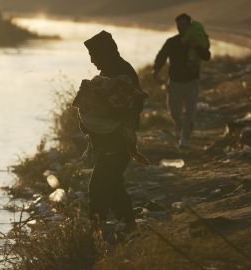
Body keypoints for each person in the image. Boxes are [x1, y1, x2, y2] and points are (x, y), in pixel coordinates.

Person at [78, 30, 147, 231]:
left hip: (118, 142)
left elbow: (133, 106)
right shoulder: (109, 72)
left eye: (94, 56)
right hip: (109, 141)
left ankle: (95, 230)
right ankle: (128, 224)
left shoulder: (123, 74)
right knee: (113, 183)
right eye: (91, 57)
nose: (92, 61)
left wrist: (99, 115)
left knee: (98, 186)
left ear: (106, 53)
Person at [153, 13, 211, 148]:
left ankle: (184, 140)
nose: (180, 27)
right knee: (174, 112)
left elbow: (207, 56)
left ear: (189, 25)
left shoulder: (196, 41)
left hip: (192, 82)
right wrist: (156, 69)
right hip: (175, 82)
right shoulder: (172, 42)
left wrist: (197, 47)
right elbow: (162, 55)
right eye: (179, 25)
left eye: (184, 24)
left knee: (189, 111)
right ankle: (180, 126)